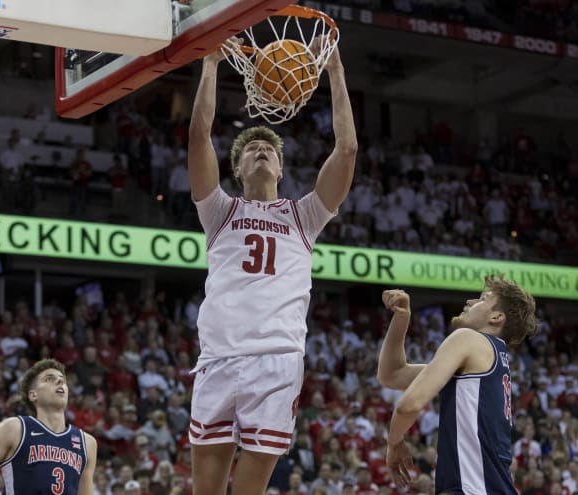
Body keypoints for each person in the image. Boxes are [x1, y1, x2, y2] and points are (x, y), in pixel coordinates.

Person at [187, 34, 357, 495]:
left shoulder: (304, 216)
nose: (261, 151)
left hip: (275, 361)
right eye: (250, 150)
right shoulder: (219, 212)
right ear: (237, 170)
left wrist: (336, 73)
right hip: (218, 358)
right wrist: (209, 65)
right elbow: (199, 135)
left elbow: (346, 153)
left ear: (281, 169)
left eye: (270, 151)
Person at [377, 276, 536, 493]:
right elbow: (392, 375)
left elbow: (408, 405)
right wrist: (401, 317)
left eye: (482, 299)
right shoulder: (490, 362)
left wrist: (394, 442)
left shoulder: (468, 339)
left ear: (496, 316)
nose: (470, 301)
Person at [0, 359, 98, 495]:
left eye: (62, 379)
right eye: (49, 378)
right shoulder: (13, 429)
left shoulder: (87, 443)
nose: (60, 381)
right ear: (33, 395)